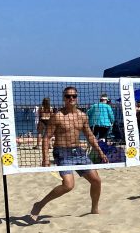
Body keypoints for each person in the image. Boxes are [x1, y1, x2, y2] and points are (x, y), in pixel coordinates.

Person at [29, 86, 108, 222]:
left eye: (74, 96)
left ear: (77, 98)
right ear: (63, 98)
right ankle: (39, 204)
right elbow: (46, 137)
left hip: (78, 151)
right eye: (68, 96)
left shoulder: (82, 116)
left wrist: (101, 152)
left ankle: (94, 209)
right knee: (68, 185)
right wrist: (45, 158)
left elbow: (90, 136)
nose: (71, 98)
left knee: (96, 181)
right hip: (62, 152)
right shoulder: (57, 116)